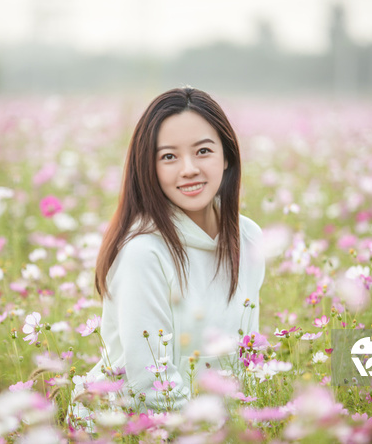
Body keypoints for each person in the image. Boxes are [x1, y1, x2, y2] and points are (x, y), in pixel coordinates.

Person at [71, 87, 265, 420]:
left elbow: (245, 356)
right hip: (129, 426)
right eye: (169, 157)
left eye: (203, 151)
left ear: (227, 155)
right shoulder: (142, 253)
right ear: (149, 167)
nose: (188, 169)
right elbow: (152, 386)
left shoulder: (247, 237)